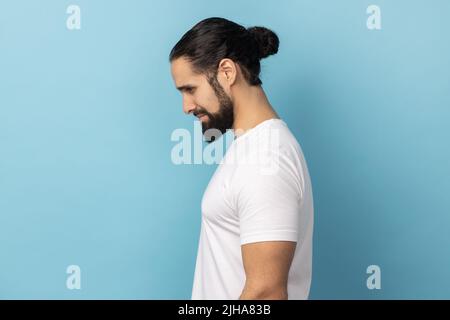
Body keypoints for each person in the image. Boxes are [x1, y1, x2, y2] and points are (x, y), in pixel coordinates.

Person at [169, 17, 314, 300]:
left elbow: (266, 293)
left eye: (190, 89)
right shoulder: (251, 147)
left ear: (226, 71)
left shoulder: (266, 159)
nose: (186, 107)